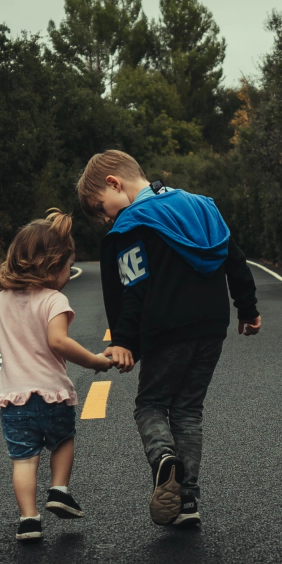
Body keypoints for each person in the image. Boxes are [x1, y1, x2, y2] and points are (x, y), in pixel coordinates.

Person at [79, 150, 261, 529]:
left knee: (150, 405)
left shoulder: (133, 224)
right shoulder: (202, 206)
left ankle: (164, 458)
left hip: (165, 330)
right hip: (212, 326)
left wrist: (124, 340)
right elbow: (234, 257)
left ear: (114, 182)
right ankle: (187, 499)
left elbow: (135, 288)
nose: (107, 218)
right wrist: (248, 308)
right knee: (189, 411)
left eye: (102, 208)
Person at [0, 209, 117, 542]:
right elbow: (58, 341)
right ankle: (59, 489)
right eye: (68, 268)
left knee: (24, 460)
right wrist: (95, 362)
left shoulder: (0, 302)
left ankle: (29, 519)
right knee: (63, 440)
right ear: (53, 267)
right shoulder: (54, 300)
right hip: (52, 394)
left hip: (14, 400)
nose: (70, 275)